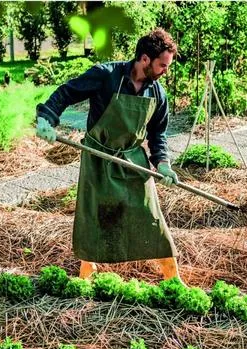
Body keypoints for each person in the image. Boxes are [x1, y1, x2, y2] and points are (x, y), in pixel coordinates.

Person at [35, 28, 184, 284]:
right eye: (162, 65)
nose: (165, 71)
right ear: (145, 59)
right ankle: (86, 275)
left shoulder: (157, 94)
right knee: (96, 219)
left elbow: (158, 134)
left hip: (133, 161)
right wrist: (46, 119)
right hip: (98, 159)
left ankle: (173, 279)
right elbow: (67, 93)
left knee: (151, 217)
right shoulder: (107, 76)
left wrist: (163, 164)